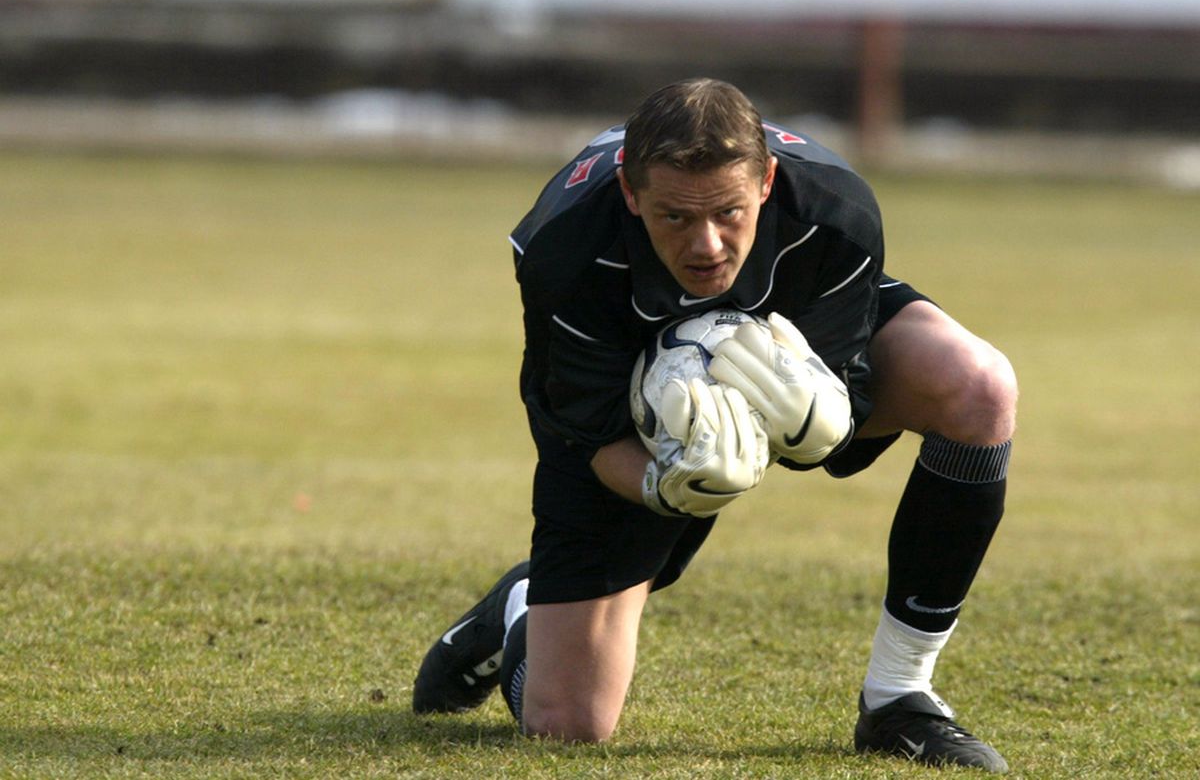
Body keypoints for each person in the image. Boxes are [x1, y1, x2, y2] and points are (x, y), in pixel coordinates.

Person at [412, 78, 1017, 773]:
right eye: (674, 217)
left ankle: (900, 697)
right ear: (631, 194)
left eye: (729, 211)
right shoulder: (564, 248)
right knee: (567, 723)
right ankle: (522, 605)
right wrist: (666, 485)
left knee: (979, 386)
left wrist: (821, 419)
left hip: (791, 329)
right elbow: (584, 435)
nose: (707, 244)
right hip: (623, 405)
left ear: (766, 182)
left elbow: (844, 405)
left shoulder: (833, 213)